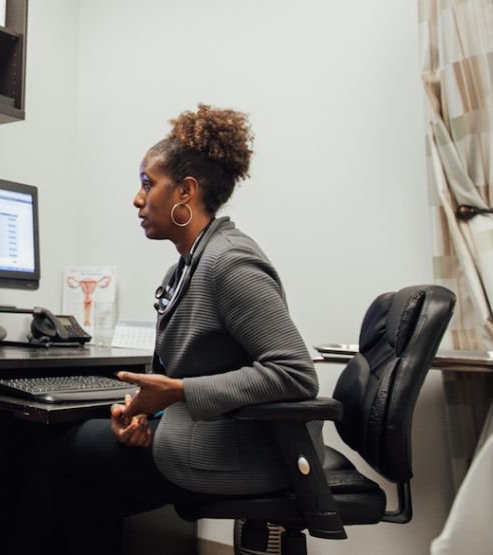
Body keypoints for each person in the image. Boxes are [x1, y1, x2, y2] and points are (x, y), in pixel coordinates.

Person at [52, 105, 320, 553]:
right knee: (84, 491)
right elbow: (199, 369)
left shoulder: (229, 263)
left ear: (186, 191)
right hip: (213, 438)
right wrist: (142, 414)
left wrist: (175, 392)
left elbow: (295, 374)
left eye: (146, 184)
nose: (137, 200)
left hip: (239, 455)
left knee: (57, 455)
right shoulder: (188, 266)